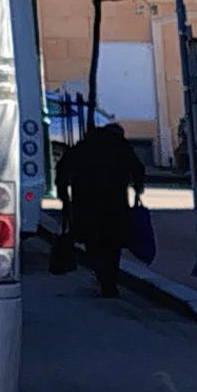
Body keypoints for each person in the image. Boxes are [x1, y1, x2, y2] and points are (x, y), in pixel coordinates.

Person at [55, 121, 144, 297]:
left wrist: (64, 197)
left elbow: (62, 170)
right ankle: (110, 282)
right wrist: (137, 188)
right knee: (113, 245)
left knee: (93, 242)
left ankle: (102, 275)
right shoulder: (121, 147)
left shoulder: (83, 147)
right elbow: (138, 169)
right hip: (114, 204)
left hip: (85, 204)